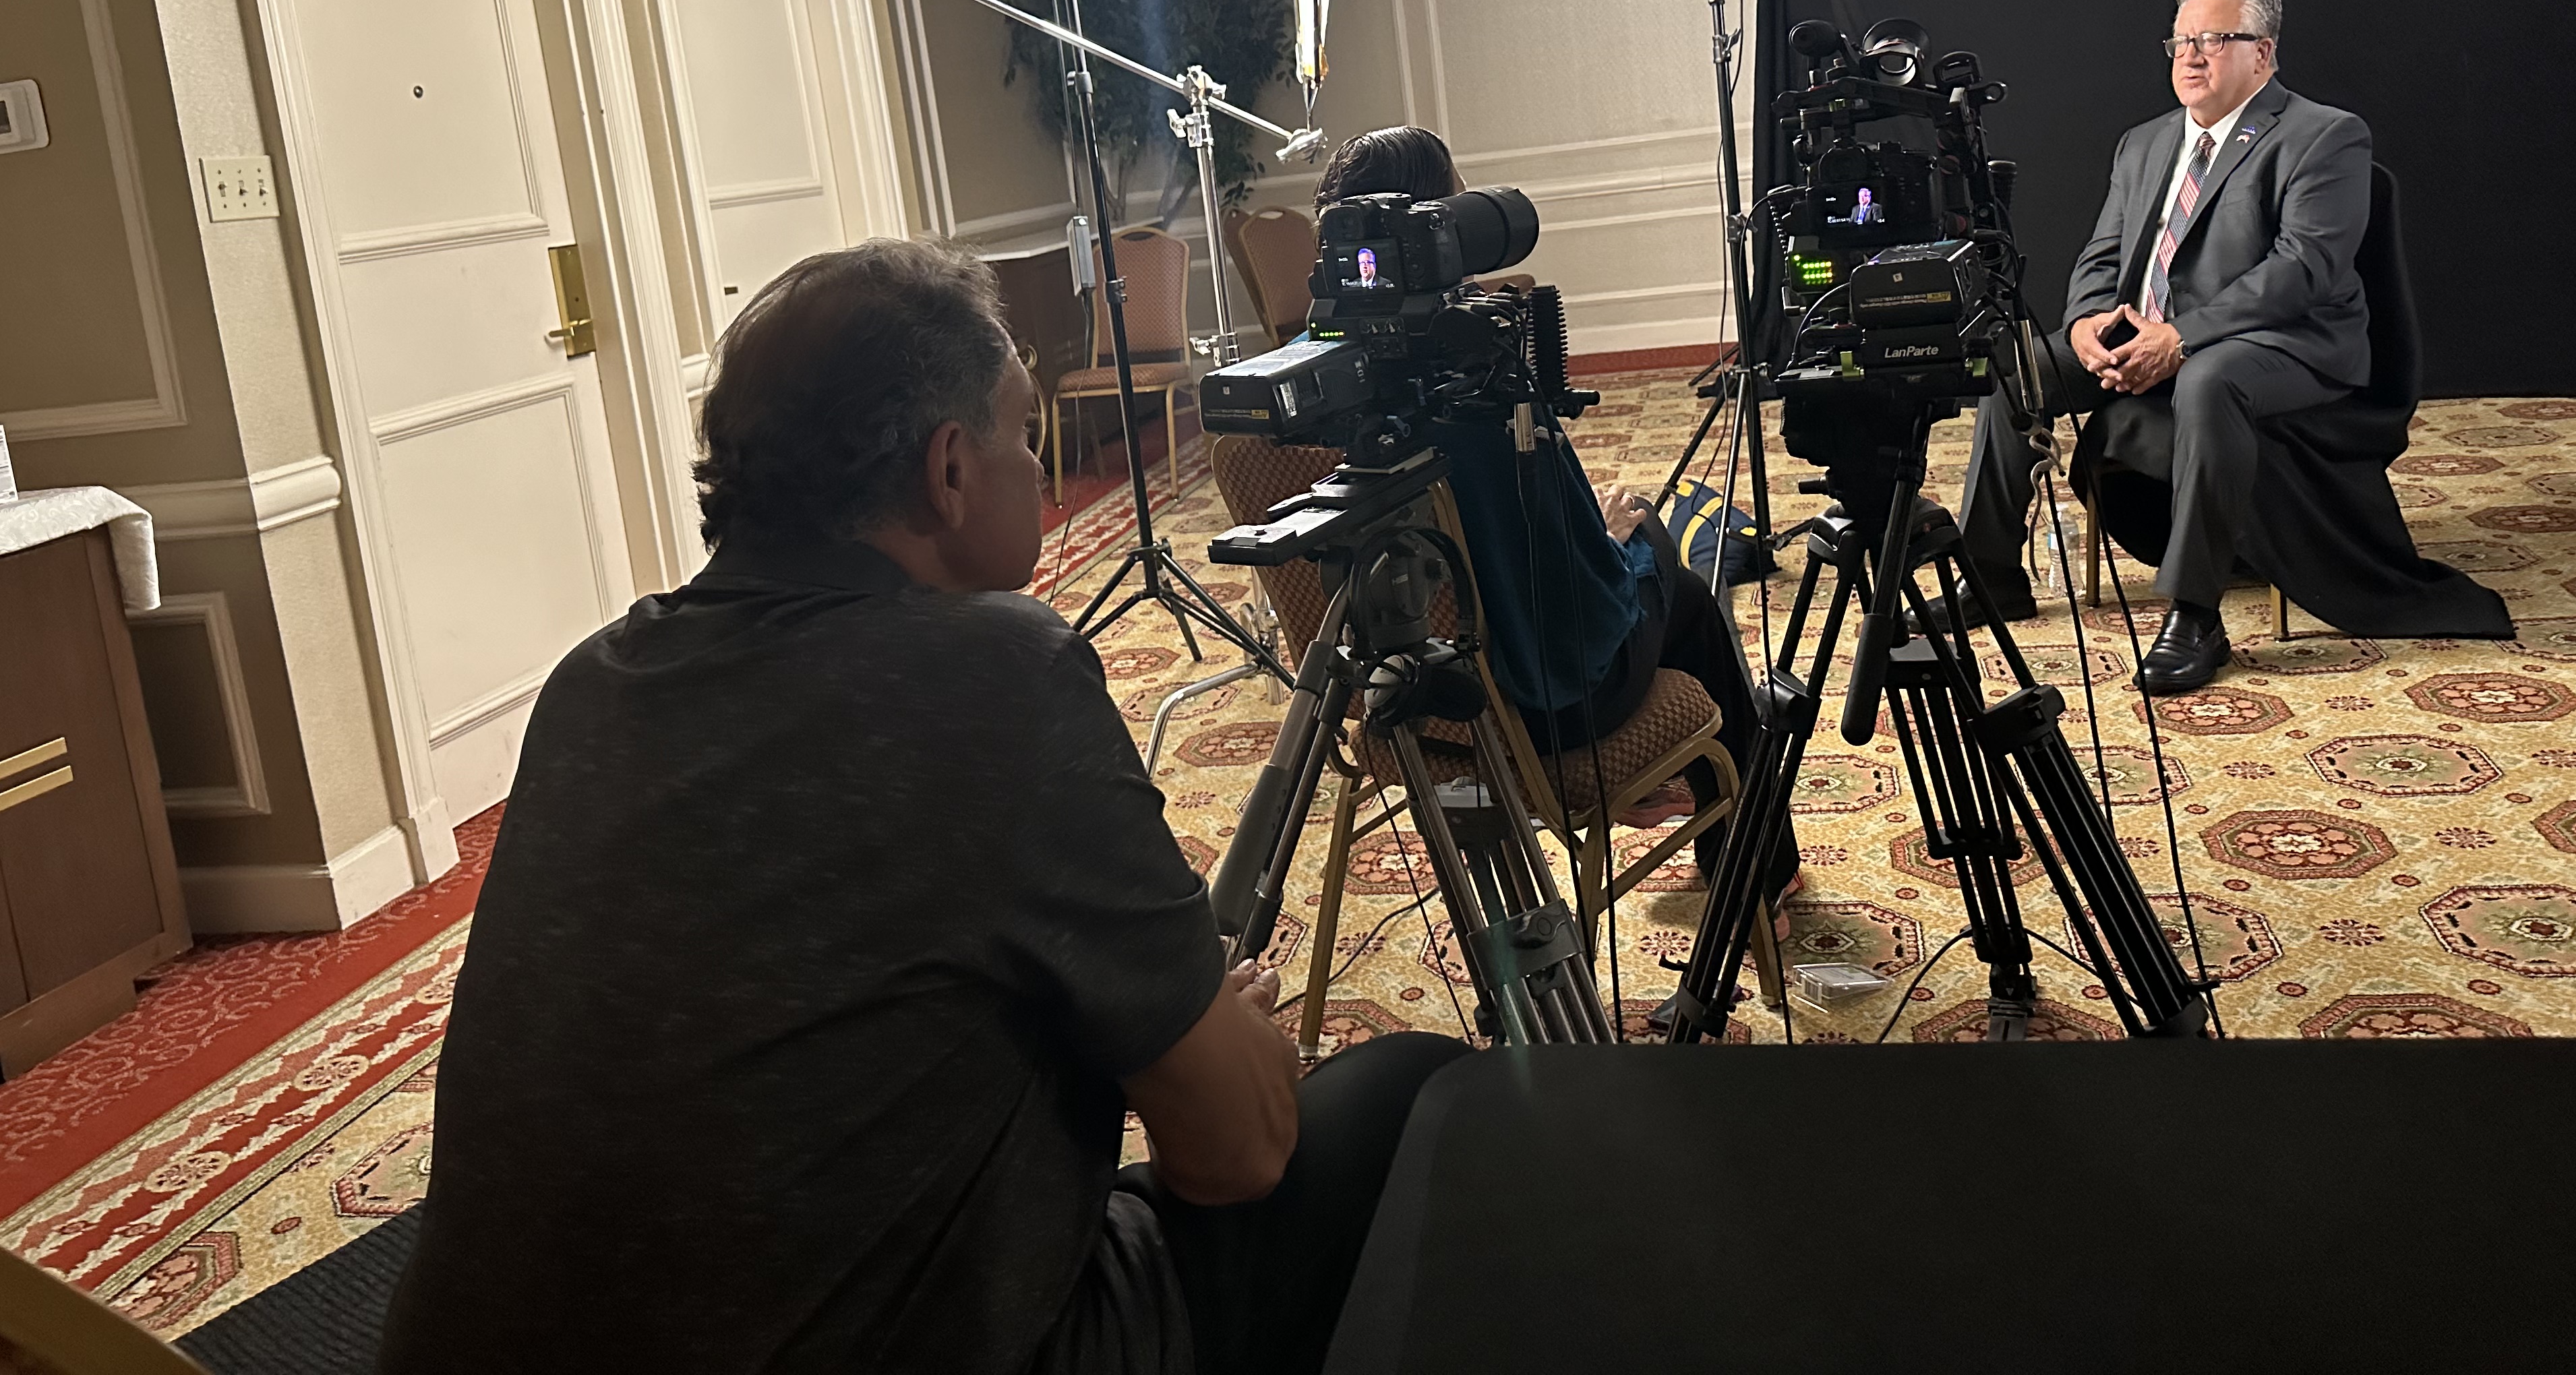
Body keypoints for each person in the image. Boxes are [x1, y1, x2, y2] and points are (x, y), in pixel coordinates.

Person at [377, 241, 1464, 1375]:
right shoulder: (997, 672)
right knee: (1414, 1097)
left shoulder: (590, 682)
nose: (1036, 465)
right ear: (949, 470)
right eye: (1024, 433)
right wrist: (1230, 1044)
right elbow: (1236, 1153)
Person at [1312, 127, 1793, 890]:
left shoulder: (1310, 395)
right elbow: (1575, 616)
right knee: (1677, 575)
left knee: (1653, 559)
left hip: (1396, 704)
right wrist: (1613, 540)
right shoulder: (1477, 389)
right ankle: (1757, 868)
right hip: (1540, 712)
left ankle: (1673, 798)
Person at [1952, 0, 2370, 696]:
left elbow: (2303, 271)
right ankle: (1992, 577)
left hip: (2283, 340)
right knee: (2016, 369)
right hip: (2145, 331)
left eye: (2215, 39)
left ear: (2264, 53)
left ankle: (2195, 615)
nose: (2192, 56)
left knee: (2208, 379)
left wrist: (2180, 338)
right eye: (2181, 41)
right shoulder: (2144, 142)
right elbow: (2105, 253)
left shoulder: (2322, 135)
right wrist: (2087, 322)